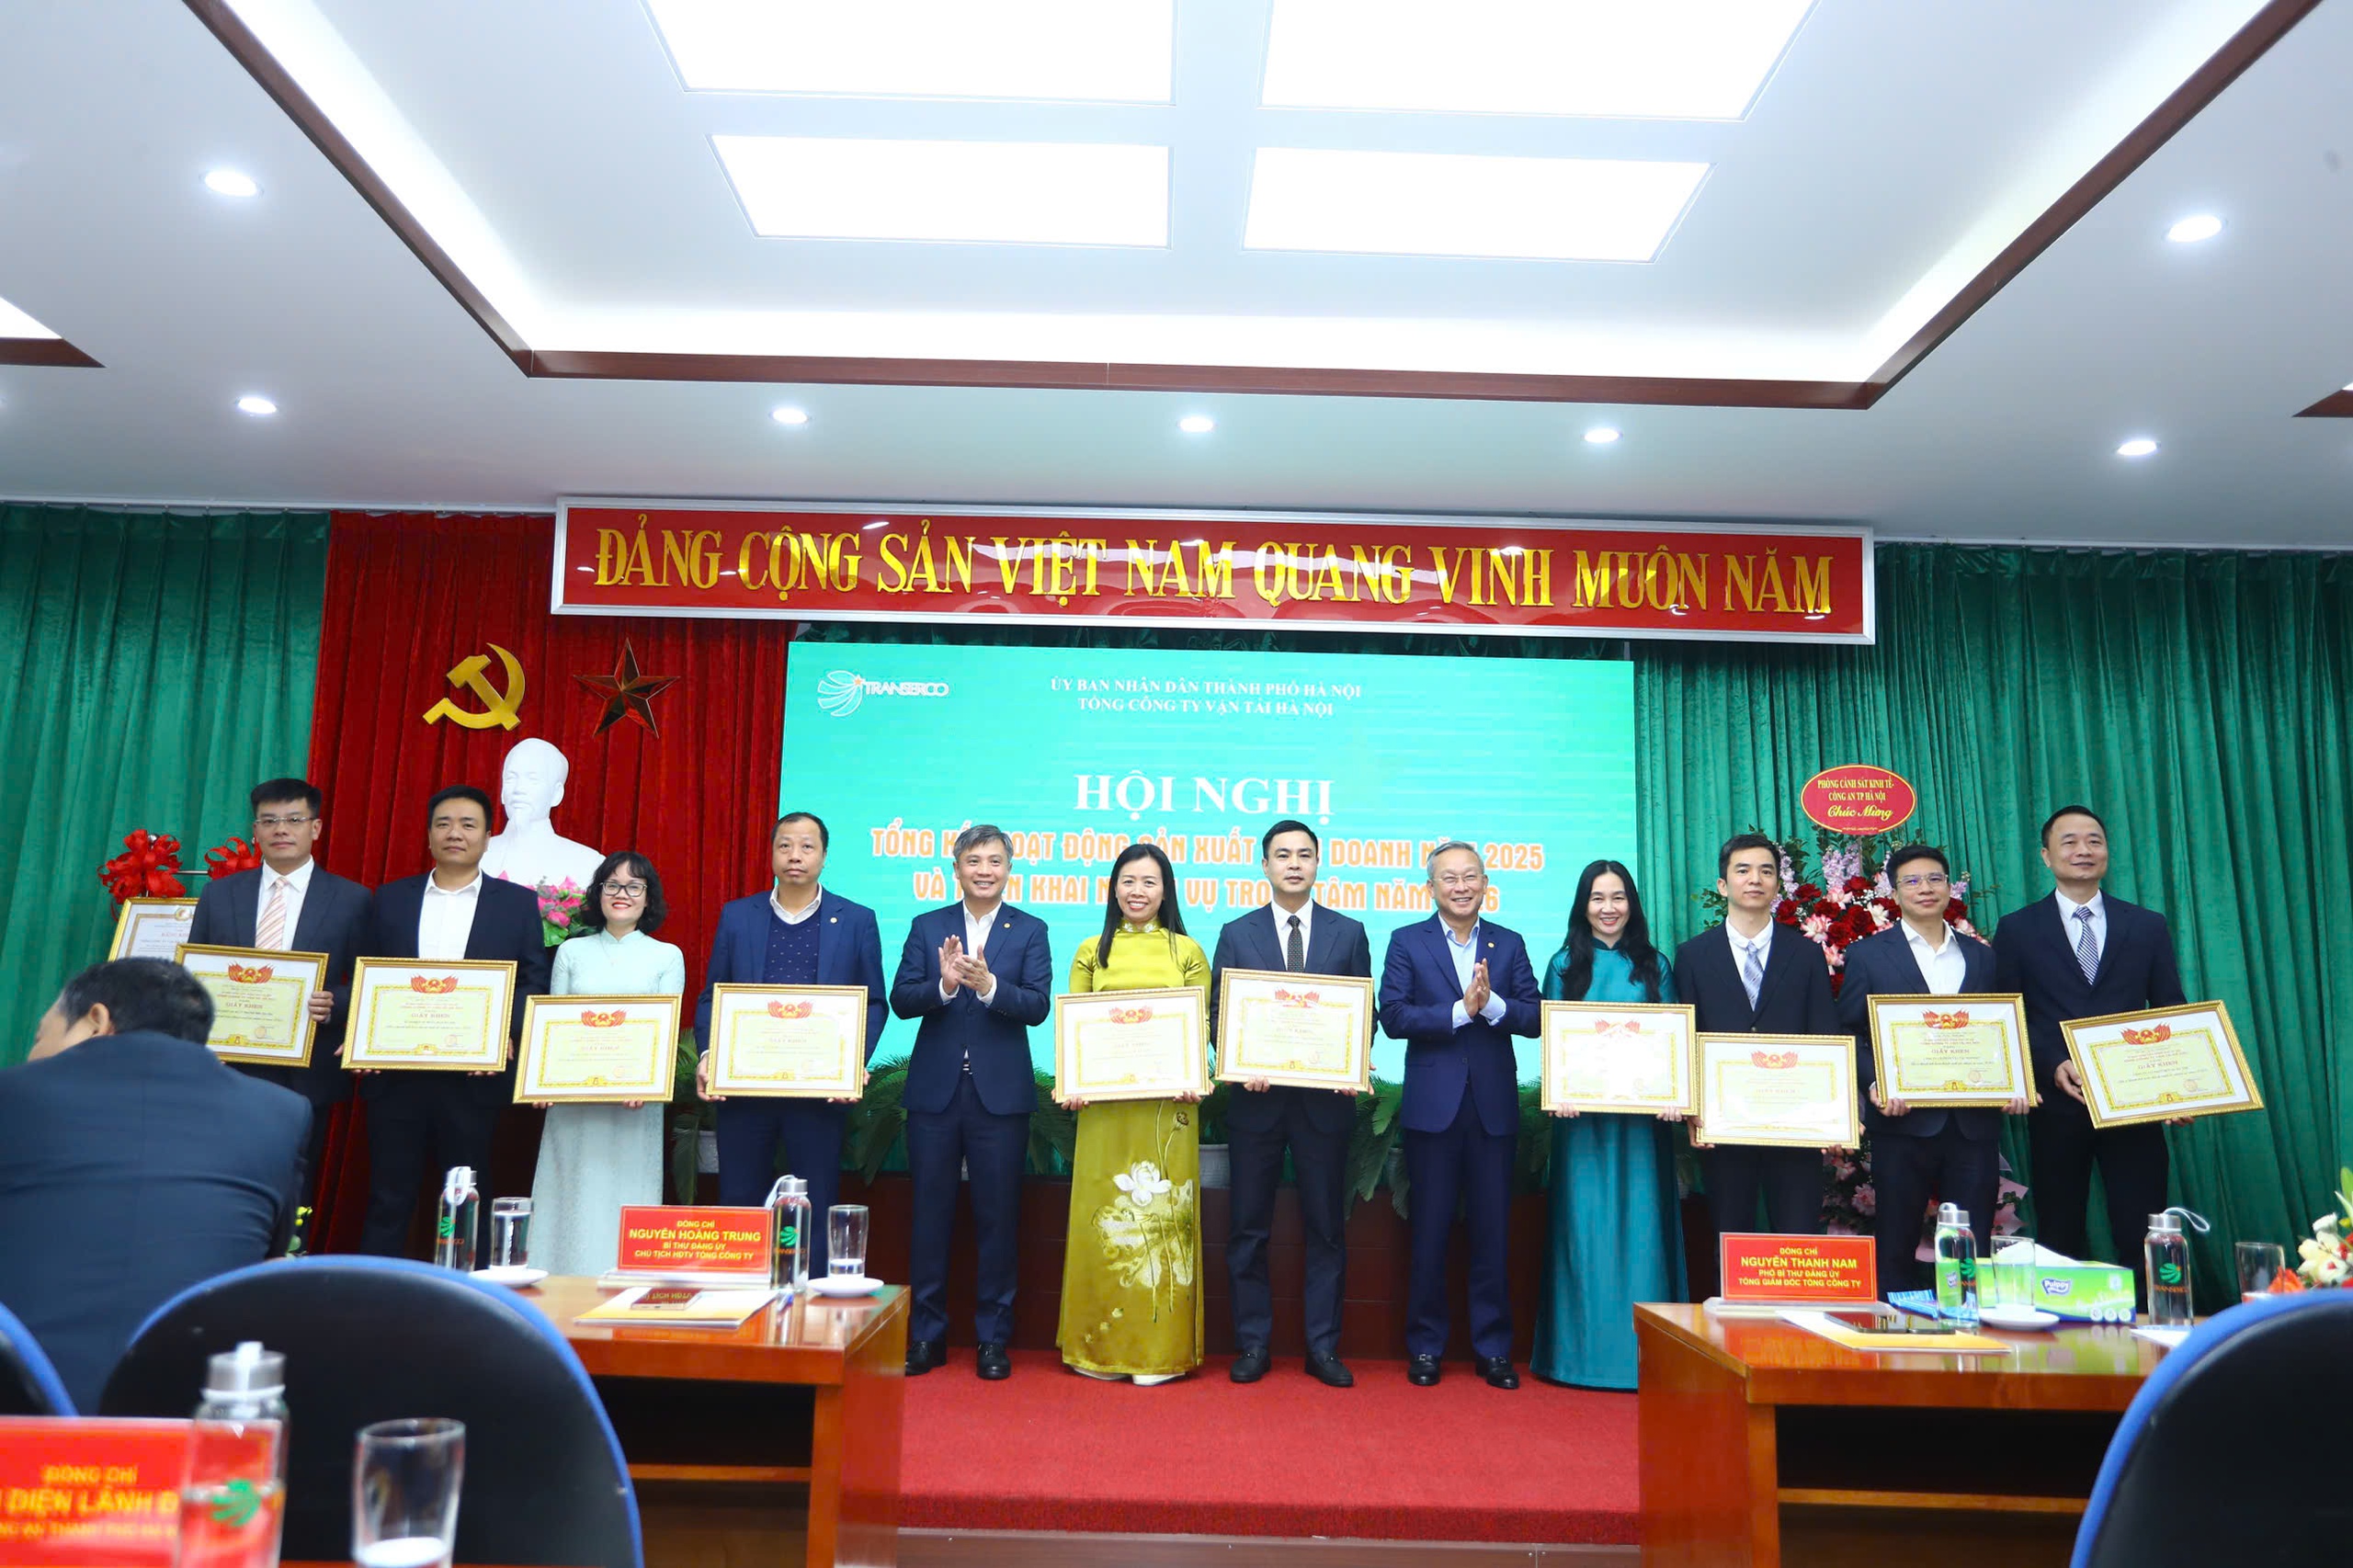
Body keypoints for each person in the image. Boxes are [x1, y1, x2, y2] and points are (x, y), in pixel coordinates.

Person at [0, 959, 309, 1411]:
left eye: (39, 1038)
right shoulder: (280, 1112)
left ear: (96, 1020)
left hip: (22, 1411)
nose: (32, 1056)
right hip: (192, 1414)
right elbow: (271, 1255)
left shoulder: (12, 1094)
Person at [356, 786, 552, 1259]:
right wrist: (360, 1033)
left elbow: (533, 982)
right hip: (396, 1075)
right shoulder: (390, 899)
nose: (455, 833)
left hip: (473, 1078)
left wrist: (501, 1033)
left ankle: (468, 1289)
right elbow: (366, 974)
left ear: (487, 837)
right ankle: (372, 1291)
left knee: (468, 1195)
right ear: (428, 835)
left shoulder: (516, 904)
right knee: (388, 1197)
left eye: (468, 824)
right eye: (443, 823)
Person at [1210, 819, 1371, 1389]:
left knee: (1326, 1229)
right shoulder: (1237, 933)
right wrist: (1238, 1060)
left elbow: (1364, 1013)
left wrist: (1352, 1060)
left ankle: (1322, 1348)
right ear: (1265, 865)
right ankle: (1253, 1343)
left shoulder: (1349, 933)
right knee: (1248, 1227)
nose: (1294, 864)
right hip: (1256, 1104)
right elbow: (1219, 1013)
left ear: (1318, 863)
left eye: (1304, 854)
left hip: (1324, 1105)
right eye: (1283, 855)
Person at [890, 824, 1053, 1381]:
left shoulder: (1030, 930)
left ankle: (992, 1339)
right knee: (929, 1217)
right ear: (956, 869)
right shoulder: (927, 925)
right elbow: (901, 999)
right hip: (935, 1095)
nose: (985, 870)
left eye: (995, 861)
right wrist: (942, 986)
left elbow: (1037, 1006)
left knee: (997, 1219)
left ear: (1009, 869)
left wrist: (988, 987)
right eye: (974, 861)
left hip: (999, 1099)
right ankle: (926, 1336)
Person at [1994, 807, 2187, 1278]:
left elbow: (2170, 1008)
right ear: (2046, 856)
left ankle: (2147, 1315)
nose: (2084, 850)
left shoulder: (2147, 925)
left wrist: (2181, 1088)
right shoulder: (2017, 928)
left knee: (2142, 1224)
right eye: (2070, 842)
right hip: (2059, 1103)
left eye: (2094, 841)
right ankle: (2060, 1317)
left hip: (2135, 1102)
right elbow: (2006, 1015)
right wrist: (2051, 1061)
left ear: (2107, 852)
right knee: (2059, 1226)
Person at [1378, 840, 1541, 1390]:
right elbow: (1393, 1016)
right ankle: (1426, 1347)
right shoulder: (1407, 941)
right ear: (1431, 887)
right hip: (1433, 1110)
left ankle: (1493, 1349)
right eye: (1449, 878)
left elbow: (1535, 1016)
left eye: (1471, 876)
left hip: (1493, 1110)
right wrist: (1459, 1011)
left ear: (1486, 883)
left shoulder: (1509, 942)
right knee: (1428, 1233)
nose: (1461, 886)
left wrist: (1492, 1006)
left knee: (1493, 1234)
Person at [695, 812, 887, 1267]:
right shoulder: (738, 916)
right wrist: (708, 1054)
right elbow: (712, 996)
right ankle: (740, 1292)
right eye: (785, 845)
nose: (795, 855)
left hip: (818, 1091)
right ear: (772, 854)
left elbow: (873, 1002)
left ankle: (811, 1297)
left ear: (824, 856)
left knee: (815, 1199)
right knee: (740, 1199)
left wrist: (851, 1064)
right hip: (745, 1088)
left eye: (806, 846)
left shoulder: (857, 920)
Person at [1837, 844, 2020, 1295]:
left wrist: (2015, 1080)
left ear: (1949, 888)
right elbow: (1848, 1033)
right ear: (1893, 893)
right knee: (1895, 1241)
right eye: (1912, 881)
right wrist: (1874, 1081)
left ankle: (1965, 1324)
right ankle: (1892, 1324)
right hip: (1902, 1123)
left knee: (1969, 1246)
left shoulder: (1982, 957)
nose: (1925, 888)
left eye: (1935, 878)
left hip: (1972, 1125)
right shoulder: (1868, 955)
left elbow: (2002, 1029)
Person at [1057, 843, 1209, 1384]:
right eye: (1128, 881)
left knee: (1163, 1224)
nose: (1137, 891)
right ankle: (1098, 1348)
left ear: (1166, 891)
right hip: (1104, 1111)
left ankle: (1157, 1352)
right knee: (1102, 1217)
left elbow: (1200, 1027)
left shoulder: (1187, 951)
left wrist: (1196, 1074)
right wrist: (1073, 1083)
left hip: (1168, 1111)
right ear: (1113, 888)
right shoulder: (1089, 951)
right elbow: (1074, 1028)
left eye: (1149, 882)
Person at [187, 777, 371, 1220]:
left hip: (307, 1067)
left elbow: (369, 983)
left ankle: (288, 1257)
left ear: (316, 828)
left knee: (295, 1184)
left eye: (293, 819)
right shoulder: (220, 894)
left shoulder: (353, 899)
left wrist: (336, 1002)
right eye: (269, 821)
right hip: (228, 1064)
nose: (281, 829)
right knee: (223, 1176)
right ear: (255, 830)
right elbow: (195, 975)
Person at [1534, 859, 1687, 1390]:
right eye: (1597, 898)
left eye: (1618, 897)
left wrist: (1676, 1095)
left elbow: (1673, 1041)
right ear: (1583, 905)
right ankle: (1577, 1357)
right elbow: (1553, 1042)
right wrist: (1557, 1092)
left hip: (1642, 1129)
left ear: (1632, 904)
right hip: (1582, 1127)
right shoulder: (1562, 965)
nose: (1608, 908)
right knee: (1584, 1233)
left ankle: (1647, 1358)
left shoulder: (1655, 964)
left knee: (1644, 1232)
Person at [526, 851, 684, 1277]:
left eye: (634, 886)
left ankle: (624, 1283)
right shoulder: (571, 952)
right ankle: (557, 1283)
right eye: (612, 885)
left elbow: (665, 1032)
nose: (622, 894)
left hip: (634, 1104)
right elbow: (553, 1026)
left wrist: (645, 1083)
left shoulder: (666, 955)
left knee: (625, 1191)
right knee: (570, 1189)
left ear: (648, 898)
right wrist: (543, 1081)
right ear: (598, 893)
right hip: (572, 1103)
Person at [1676, 834, 1840, 1236]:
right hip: (1723, 1123)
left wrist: (1834, 1114)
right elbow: (1686, 1038)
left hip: (1796, 1123)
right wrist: (1692, 1108)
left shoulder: (1805, 953)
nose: (1755, 879)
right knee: (1730, 1235)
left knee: (1798, 1235)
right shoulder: (1693, 955)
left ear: (1777, 884)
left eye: (1766, 871)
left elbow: (1824, 1032)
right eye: (1743, 870)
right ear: (1723, 885)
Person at [480, 737, 604, 890]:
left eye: (533, 779)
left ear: (557, 794)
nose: (519, 789)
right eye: (511, 778)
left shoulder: (588, 863)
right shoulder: (469, 856)